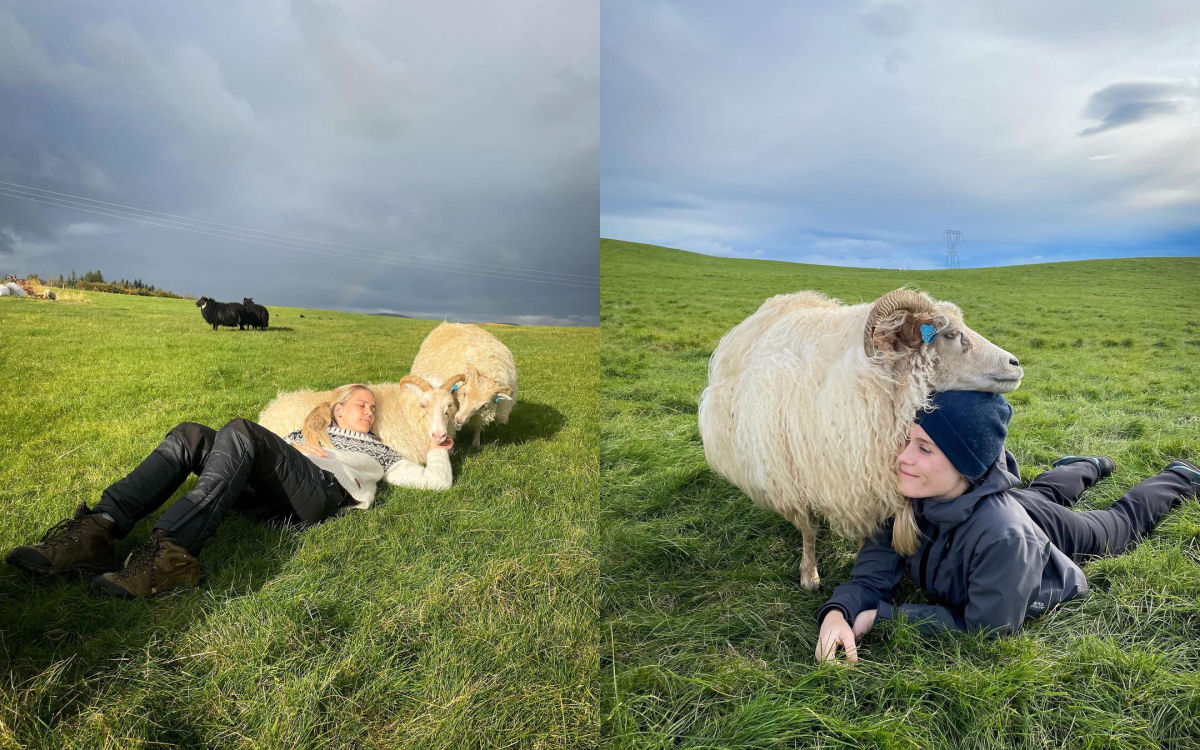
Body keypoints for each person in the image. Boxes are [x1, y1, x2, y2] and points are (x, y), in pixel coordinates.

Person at [815, 389, 1200, 663]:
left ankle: (1180, 476)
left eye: (924, 448)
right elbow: (871, 577)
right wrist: (839, 613)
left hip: (1041, 534)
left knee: (1118, 525)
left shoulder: (1006, 538)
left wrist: (882, 618)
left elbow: (989, 627)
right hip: (1009, 506)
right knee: (1040, 494)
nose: (902, 458)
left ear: (967, 464)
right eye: (906, 441)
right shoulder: (903, 499)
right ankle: (1087, 465)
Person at [6, 384, 454, 598]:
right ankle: (97, 531)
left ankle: (169, 557)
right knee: (189, 436)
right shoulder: (305, 432)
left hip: (319, 493)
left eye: (373, 408)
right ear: (337, 408)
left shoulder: (380, 450)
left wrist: (440, 444)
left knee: (242, 431)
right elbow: (266, 453)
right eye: (361, 404)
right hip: (273, 490)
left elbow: (436, 482)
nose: (369, 412)